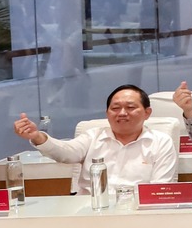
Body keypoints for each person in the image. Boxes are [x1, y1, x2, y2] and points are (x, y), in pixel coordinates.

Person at [12, 83, 178, 194]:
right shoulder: (92, 136)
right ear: (107, 113)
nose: (122, 113)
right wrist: (37, 136)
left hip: (137, 212)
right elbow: (65, 153)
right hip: (90, 210)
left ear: (147, 113)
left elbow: (160, 189)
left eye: (130, 107)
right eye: (115, 108)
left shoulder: (161, 142)